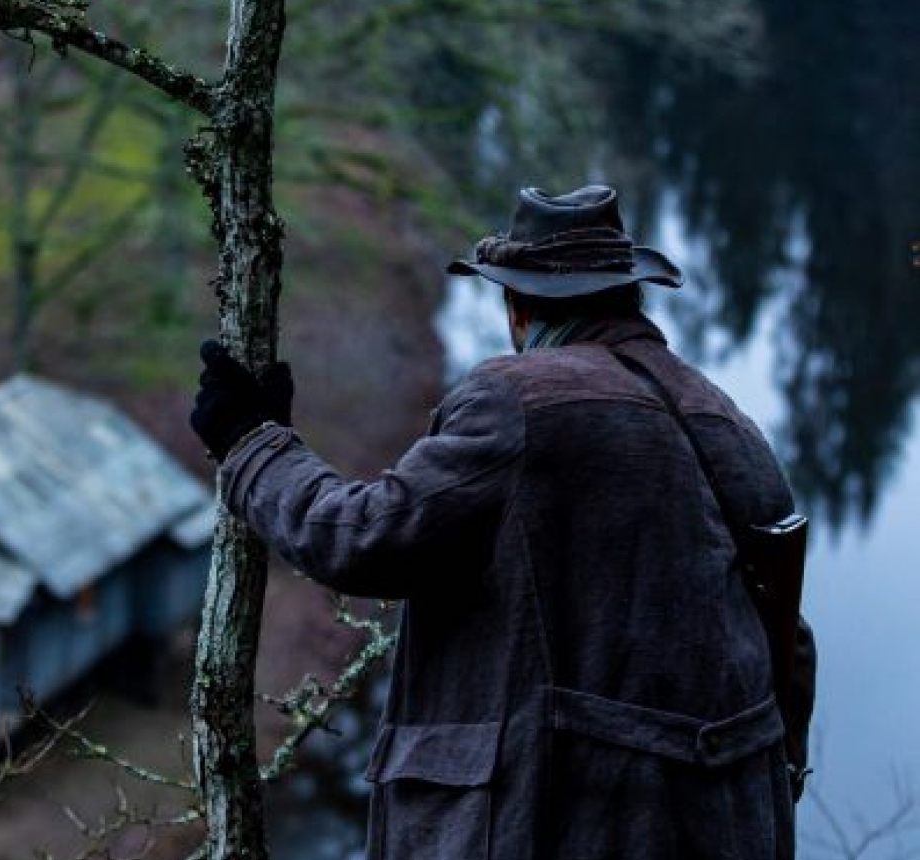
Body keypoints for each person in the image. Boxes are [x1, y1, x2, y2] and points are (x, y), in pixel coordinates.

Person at [190, 185, 816, 860]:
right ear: (628, 296)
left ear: (517, 307)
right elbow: (792, 647)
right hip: (728, 825)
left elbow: (362, 540)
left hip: (559, 822)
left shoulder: (519, 400)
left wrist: (251, 443)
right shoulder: (725, 419)